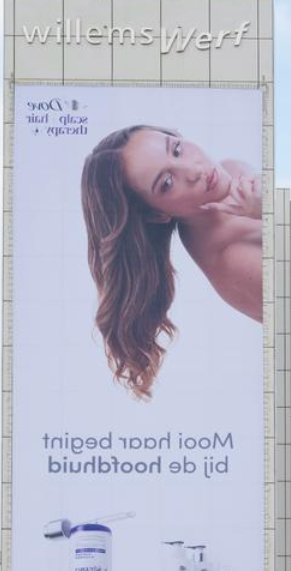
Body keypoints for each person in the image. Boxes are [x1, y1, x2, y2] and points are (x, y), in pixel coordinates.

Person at [80, 124, 262, 398]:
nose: (194, 170)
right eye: (166, 183)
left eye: (176, 149)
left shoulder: (230, 170)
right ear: (157, 215)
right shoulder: (231, 261)